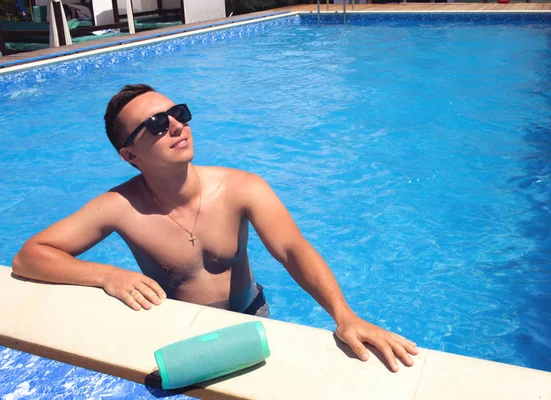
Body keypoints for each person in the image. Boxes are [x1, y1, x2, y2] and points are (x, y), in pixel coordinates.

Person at [12, 84, 418, 371]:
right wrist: (106, 275)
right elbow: (30, 255)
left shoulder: (241, 187)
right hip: (173, 326)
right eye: (155, 124)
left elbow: (293, 248)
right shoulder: (118, 207)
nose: (175, 126)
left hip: (249, 314)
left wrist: (343, 315)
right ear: (129, 154)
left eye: (179, 114)